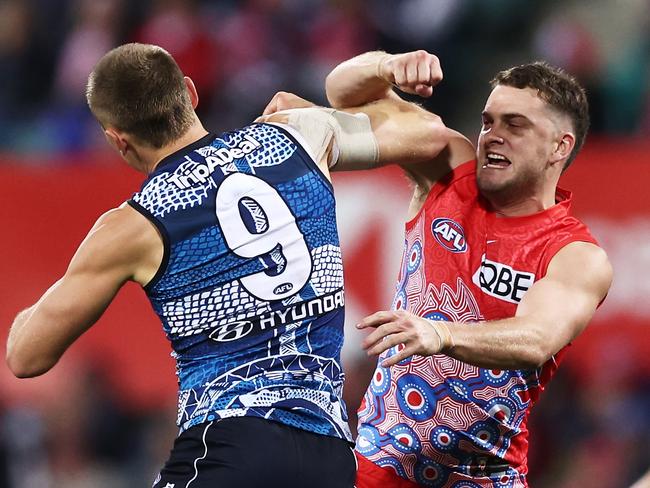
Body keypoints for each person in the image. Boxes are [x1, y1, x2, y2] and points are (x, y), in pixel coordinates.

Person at [5, 43, 445, 487]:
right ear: (191, 93)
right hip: (329, 457)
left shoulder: (133, 226)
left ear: (117, 139)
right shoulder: (297, 135)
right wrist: (354, 87)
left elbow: (25, 356)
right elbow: (428, 135)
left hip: (229, 447)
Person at [305, 50, 612, 487]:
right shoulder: (450, 172)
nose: (492, 136)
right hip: (382, 465)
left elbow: (537, 338)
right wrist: (385, 68)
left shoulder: (575, 254)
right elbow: (341, 92)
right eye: (488, 121)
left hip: (485, 477)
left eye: (515, 125)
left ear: (559, 147)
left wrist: (442, 333)